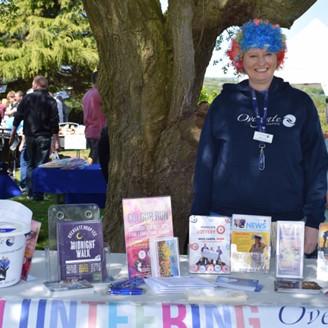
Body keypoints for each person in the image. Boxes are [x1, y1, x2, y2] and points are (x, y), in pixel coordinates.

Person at [191, 19, 328, 255]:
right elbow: (204, 166)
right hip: (226, 222)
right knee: (225, 291)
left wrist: (314, 222)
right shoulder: (224, 104)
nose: (261, 62)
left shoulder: (300, 104)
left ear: (278, 57)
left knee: (281, 292)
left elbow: (317, 165)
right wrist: (200, 221)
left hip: (286, 225)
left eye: (268, 54)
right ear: (240, 60)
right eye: (253, 55)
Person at [9, 75, 60, 200]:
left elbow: (18, 117)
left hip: (30, 136)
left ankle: (30, 193)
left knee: (31, 165)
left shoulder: (27, 98)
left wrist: (13, 133)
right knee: (41, 165)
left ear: (35, 85)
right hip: (44, 136)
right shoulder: (50, 100)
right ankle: (38, 193)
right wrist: (56, 140)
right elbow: (54, 122)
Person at [82, 71, 107, 164]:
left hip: (90, 131)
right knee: (99, 163)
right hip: (99, 131)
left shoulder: (86, 95)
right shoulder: (100, 94)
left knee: (93, 159)